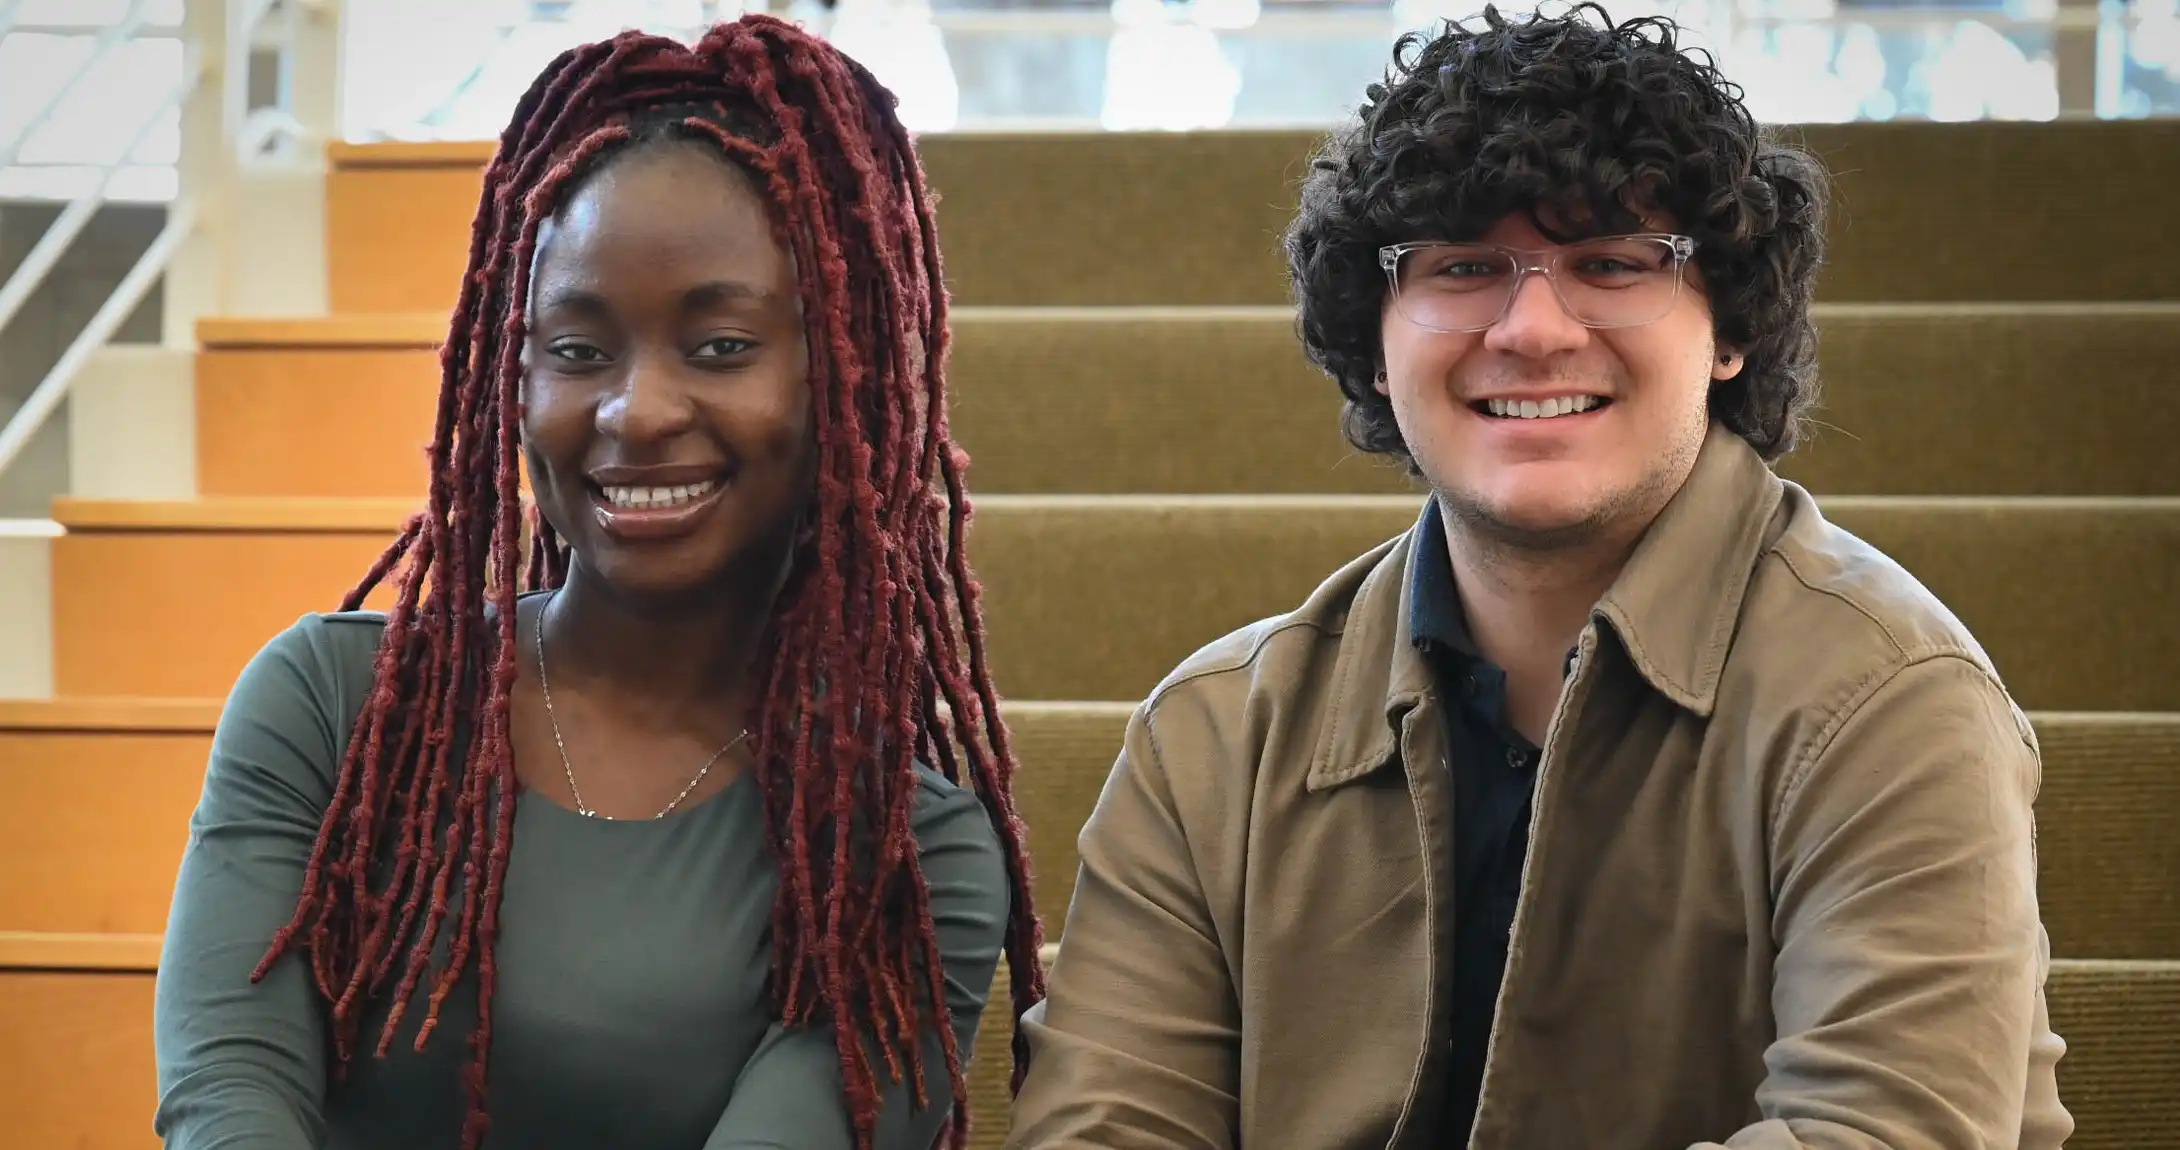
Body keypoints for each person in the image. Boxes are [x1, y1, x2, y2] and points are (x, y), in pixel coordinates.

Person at [1005, 7, 2069, 1149]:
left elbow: (1873, 1135)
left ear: (1727, 331)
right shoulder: (1211, 738)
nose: (1531, 327)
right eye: (1462, 266)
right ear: (1374, 335)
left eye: (1610, 262)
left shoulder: (1889, 700)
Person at [153, 16, 1045, 1150]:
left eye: (720, 345)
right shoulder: (333, 705)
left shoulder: (898, 855)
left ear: (844, 384)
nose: (638, 409)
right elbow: (226, 1094)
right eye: (576, 351)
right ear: (510, 379)